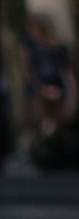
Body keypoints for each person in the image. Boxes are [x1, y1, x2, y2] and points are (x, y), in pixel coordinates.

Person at [25, 11, 75, 142]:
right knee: (41, 119)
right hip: (40, 87)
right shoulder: (32, 48)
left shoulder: (59, 48)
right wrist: (42, 88)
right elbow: (30, 71)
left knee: (58, 120)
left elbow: (67, 71)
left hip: (56, 85)